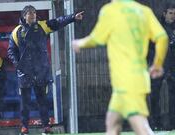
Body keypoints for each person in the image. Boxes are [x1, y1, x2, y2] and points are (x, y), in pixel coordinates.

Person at [72, 0, 168, 135]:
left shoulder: (110, 10)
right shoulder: (144, 11)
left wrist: (79, 43)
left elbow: (97, 39)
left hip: (126, 81)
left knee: (140, 125)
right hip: (135, 78)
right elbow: (162, 37)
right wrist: (157, 64)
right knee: (112, 122)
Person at [8, 5, 83, 135]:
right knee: (24, 103)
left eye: (34, 13)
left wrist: (72, 18)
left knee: (42, 102)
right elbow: (11, 50)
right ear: (24, 15)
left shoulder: (42, 26)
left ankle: (46, 128)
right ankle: (24, 128)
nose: (33, 15)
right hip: (25, 73)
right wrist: (18, 64)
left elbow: (58, 22)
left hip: (40, 71)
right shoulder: (16, 31)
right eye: (30, 13)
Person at [148, 3, 175, 130]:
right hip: (159, 66)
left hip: (172, 67)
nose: (173, 16)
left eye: (174, 13)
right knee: (155, 96)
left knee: (173, 96)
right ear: (164, 14)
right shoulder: (157, 27)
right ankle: (156, 123)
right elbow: (150, 47)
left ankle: (172, 123)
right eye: (170, 13)